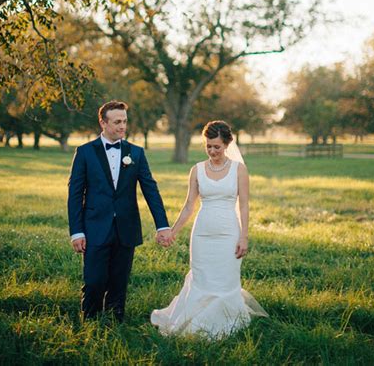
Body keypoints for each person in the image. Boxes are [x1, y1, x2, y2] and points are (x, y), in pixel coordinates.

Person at [151, 120, 268, 337]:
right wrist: (172, 232)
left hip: (229, 233)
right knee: (202, 278)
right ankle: (194, 319)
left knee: (225, 279)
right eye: (208, 146)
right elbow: (188, 206)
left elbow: (243, 205)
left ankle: (226, 320)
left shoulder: (239, 170)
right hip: (202, 234)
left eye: (217, 147)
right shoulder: (196, 170)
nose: (212, 151)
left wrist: (244, 236)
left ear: (227, 145)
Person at [68, 100, 172, 322]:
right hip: (95, 227)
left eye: (125, 121)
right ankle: (90, 321)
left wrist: (162, 225)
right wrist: (77, 231)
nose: (123, 126)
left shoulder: (136, 153)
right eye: (117, 122)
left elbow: (150, 190)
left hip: (126, 227)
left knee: (119, 280)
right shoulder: (85, 152)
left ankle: (116, 321)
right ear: (103, 123)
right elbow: (75, 194)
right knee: (95, 280)